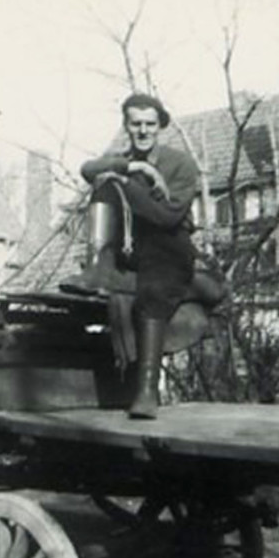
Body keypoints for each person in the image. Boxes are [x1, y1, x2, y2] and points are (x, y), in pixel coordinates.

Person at [61, 93, 201, 420]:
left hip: (169, 246)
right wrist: (135, 168)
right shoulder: (122, 160)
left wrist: (124, 184)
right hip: (128, 248)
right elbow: (87, 169)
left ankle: (146, 391)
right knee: (104, 179)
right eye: (136, 123)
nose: (143, 130)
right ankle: (96, 268)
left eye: (149, 124)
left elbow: (166, 217)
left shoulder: (180, 163)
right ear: (126, 125)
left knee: (151, 293)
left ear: (160, 126)